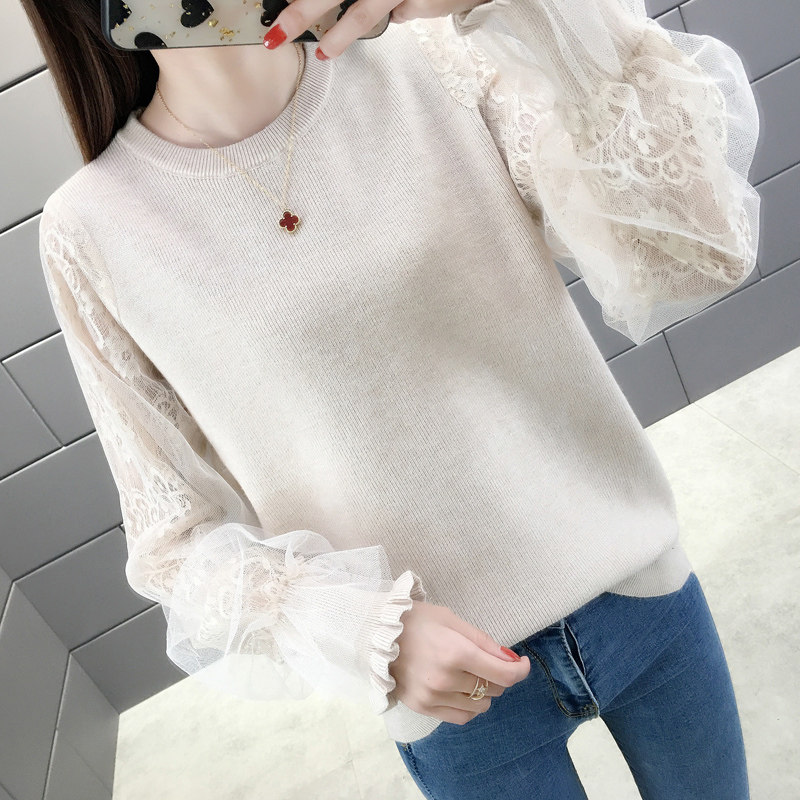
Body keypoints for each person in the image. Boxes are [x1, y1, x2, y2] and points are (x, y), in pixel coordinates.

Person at [24, 0, 759, 796]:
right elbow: (173, 543)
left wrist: (525, 6)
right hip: (452, 702)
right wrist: (365, 630)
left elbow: (700, 250)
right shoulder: (92, 229)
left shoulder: (439, 55)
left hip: (639, 588)